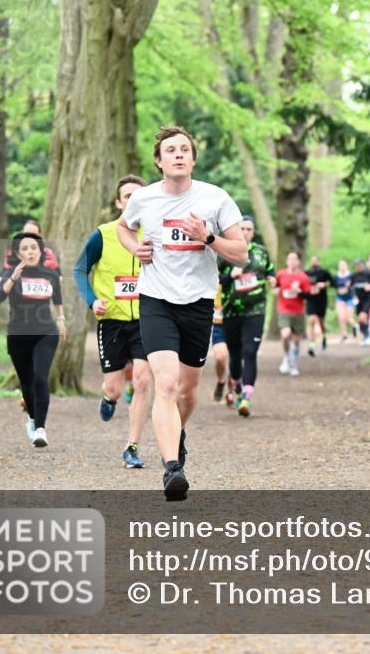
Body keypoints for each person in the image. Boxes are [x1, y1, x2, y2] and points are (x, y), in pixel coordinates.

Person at [117, 125, 247, 500]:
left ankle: (176, 432)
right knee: (167, 385)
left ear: (192, 159)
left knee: (188, 393)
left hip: (198, 303)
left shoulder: (215, 198)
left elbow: (240, 253)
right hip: (155, 300)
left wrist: (206, 237)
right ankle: (172, 468)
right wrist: (133, 249)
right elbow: (124, 229)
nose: (178, 154)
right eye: (170, 150)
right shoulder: (143, 198)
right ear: (159, 162)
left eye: (184, 149)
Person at [73, 174, 152, 469]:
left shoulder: (154, 233)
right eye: (128, 196)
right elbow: (80, 270)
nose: (133, 200)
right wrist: (93, 301)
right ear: (119, 203)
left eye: (139, 195)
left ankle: (132, 446)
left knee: (143, 380)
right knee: (115, 387)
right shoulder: (103, 234)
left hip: (147, 319)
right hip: (113, 322)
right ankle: (109, 398)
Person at [0, 231, 66, 448]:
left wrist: (61, 318)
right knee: (26, 382)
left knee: (40, 377)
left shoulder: (50, 275)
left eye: (34, 248)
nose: (30, 252)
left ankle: (41, 429)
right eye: (25, 249)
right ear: (18, 253)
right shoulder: (10, 273)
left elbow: (57, 298)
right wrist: (15, 276)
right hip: (18, 335)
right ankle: (33, 418)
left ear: (41, 251)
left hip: (46, 332)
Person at [219, 216, 275, 416]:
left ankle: (246, 398)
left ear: (253, 231)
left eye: (249, 229)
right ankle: (236, 385)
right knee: (235, 355)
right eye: (241, 228)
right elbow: (212, 278)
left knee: (250, 353)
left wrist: (271, 278)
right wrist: (229, 277)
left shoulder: (261, 252)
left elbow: (270, 270)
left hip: (255, 310)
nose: (245, 232)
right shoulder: (225, 251)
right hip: (231, 311)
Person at [275, 252, 312, 377]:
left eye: (294, 259)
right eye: (289, 258)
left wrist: (299, 292)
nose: (292, 261)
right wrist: (276, 290)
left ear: (298, 261)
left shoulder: (303, 277)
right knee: (285, 335)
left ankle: (293, 362)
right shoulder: (281, 274)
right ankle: (286, 357)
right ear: (286, 261)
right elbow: (275, 287)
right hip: (283, 309)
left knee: (296, 341)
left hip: (298, 311)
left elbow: (309, 295)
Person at [304, 255, 332, 356]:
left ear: (319, 262)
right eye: (312, 261)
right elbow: (302, 284)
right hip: (311, 300)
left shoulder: (324, 272)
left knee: (321, 322)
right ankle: (311, 344)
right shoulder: (306, 273)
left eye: (316, 261)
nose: (314, 262)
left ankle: (324, 336)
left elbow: (332, 283)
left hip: (321, 300)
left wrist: (324, 285)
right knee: (311, 320)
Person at [350, 258, 370, 345]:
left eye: (359, 265)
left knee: (362, 317)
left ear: (362, 265)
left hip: (368, 299)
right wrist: (353, 296)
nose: (358, 267)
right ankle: (366, 334)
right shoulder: (353, 275)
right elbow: (351, 287)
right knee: (360, 320)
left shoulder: (368, 274)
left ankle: (368, 335)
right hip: (358, 300)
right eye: (356, 266)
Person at [211, 285, 230, 404]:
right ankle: (221, 381)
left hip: (236, 321)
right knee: (220, 358)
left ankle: (232, 393)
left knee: (235, 360)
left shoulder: (236, 272)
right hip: (218, 324)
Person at [333, 260, 355, 342]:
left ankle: (355, 326)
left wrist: (349, 286)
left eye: (343, 265)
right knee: (341, 317)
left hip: (349, 298)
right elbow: (334, 286)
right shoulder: (336, 277)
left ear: (347, 266)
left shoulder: (351, 275)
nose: (342, 267)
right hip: (340, 298)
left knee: (349, 317)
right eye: (340, 265)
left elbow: (354, 285)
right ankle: (344, 334)